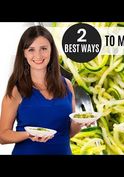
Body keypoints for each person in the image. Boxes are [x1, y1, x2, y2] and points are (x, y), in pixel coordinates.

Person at [0, 25, 86, 155]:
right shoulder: (16, 89)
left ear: (51, 50)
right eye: (31, 50)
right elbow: (3, 136)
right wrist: (28, 135)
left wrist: (79, 123)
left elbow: (68, 133)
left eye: (43, 48)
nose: (38, 55)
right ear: (24, 53)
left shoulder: (67, 85)